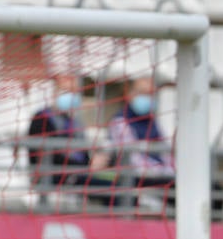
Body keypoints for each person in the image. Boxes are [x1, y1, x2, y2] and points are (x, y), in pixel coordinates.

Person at [27, 74, 120, 206]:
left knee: (121, 187)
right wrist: (87, 167)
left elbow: (82, 155)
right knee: (114, 191)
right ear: (55, 93)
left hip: (77, 176)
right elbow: (46, 157)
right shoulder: (42, 118)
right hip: (55, 178)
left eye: (75, 92)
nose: (72, 96)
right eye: (67, 91)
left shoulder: (75, 122)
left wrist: (95, 162)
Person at [108, 77, 175, 204]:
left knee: (212, 188)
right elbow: (133, 160)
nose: (148, 98)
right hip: (139, 178)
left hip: (161, 176)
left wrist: (172, 171)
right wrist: (162, 172)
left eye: (151, 94)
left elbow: (165, 152)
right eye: (143, 93)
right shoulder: (120, 121)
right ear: (130, 95)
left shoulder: (152, 120)